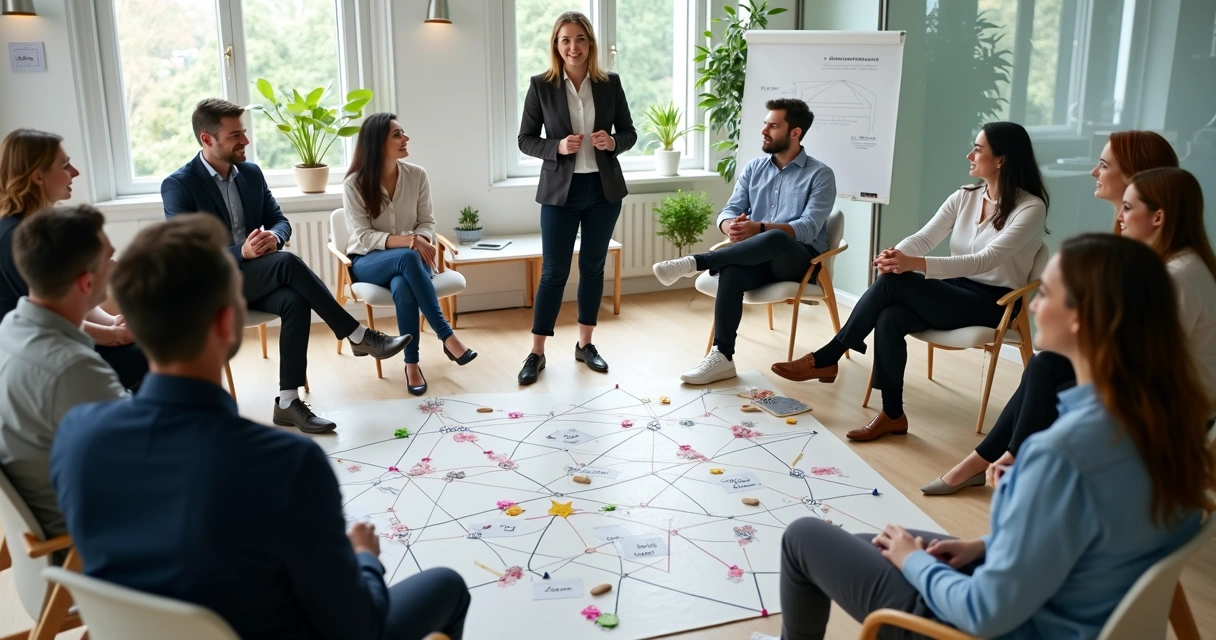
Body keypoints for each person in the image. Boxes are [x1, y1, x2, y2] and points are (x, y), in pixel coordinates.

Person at [753, 233, 1213, 640]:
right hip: (1061, 605)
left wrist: (916, 561)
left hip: (986, 625)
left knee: (802, 538)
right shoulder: (1161, 424)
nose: (1032, 305)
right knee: (862, 541)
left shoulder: (1061, 455)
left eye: (1047, 293)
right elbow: (1090, 539)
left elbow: (983, 613)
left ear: (1082, 319)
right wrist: (988, 544)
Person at [50, 214, 468, 640]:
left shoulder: (77, 435)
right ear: (228, 324)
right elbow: (359, 627)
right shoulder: (287, 462)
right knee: (449, 586)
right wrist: (365, 558)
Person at [924, 130, 1181, 494]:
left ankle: (1005, 462)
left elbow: (1140, 350)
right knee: (1044, 364)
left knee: (1045, 365)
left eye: (1104, 165)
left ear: (1136, 178)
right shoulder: (1138, 243)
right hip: (1130, 371)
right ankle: (994, 460)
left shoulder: (1170, 268)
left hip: (1152, 389)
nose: (1094, 172)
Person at [772, 122, 1048, 441]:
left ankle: (829, 356)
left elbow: (983, 260)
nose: (969, 154)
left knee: (894, 284)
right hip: (956, 293)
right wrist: (896, 254)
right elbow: (925, 237)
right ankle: (892, 415)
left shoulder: (1030, 208)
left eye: (978, 149)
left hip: (994, 304)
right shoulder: (966, 196)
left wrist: (909, 265)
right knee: (890, 316)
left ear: (1001, 160)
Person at [162, 98, 410, 433]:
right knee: (289, 265)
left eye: (244, 132)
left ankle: (287, 402)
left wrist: (275, 240)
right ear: (208, 140)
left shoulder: (250, 173)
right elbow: (188, 255)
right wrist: (242, 253)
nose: (245, 141)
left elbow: (279, 221)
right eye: (235, 135)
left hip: (255, 279)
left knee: (294, 301)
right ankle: (356, 334)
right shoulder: (179, 185)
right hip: (213, 286)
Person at [651, 99, 836, 385]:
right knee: (732, 271)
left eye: (773, 125)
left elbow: (809, 228)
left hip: (799, 262)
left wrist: (758, 227)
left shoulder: (820, 174)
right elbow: (728, 210)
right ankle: (722, 357)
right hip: (758, 258)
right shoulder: (754, 168)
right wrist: (731, 227)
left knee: (773, 236)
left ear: (795, 132)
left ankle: (696, 262)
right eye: (765, 123)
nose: (764, 130)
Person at [516, 11, 636, 385]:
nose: (573, 47)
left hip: (603, 191)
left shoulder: (610, 83)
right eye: (565, 40)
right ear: (556, 44)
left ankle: (585, 345)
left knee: (594, 268)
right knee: (554, 271)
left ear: (591, 44)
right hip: (559, 193)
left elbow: (629, 132)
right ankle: (537, 352)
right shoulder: (541, 85)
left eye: (580, 39)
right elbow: (525, 139)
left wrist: (613, 142)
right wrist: (557, 146)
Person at [0, 206, 127, 541]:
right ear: (86, 282)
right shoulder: (73, 369)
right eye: (109, 259)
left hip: (52, 512)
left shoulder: (9, 329)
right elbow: (143, 459)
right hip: (93, 539)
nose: (114, 266)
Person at [0, 128, 149, 391]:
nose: (76, 172)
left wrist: (111, 323)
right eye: (66, 165)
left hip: (60, 339)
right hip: (41, 355)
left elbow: (70, 296)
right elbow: (49, 315)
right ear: (37, 176)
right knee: (154, 355)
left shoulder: (40, 224)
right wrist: (113, 336)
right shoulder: (14, 236)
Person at [344, 113, 476, 396]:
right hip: (369, 262)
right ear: (378, 143)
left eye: (403, 133)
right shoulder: (354, 184)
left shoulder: (417, 175)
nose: (406, 138)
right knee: (407, 256)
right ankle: (447, 335)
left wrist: (421, 239)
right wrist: (411, 242)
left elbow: (427, 221)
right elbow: (364, 237)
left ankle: (411, 365)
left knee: (404, 284)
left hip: (411, 266)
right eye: (397, 134)